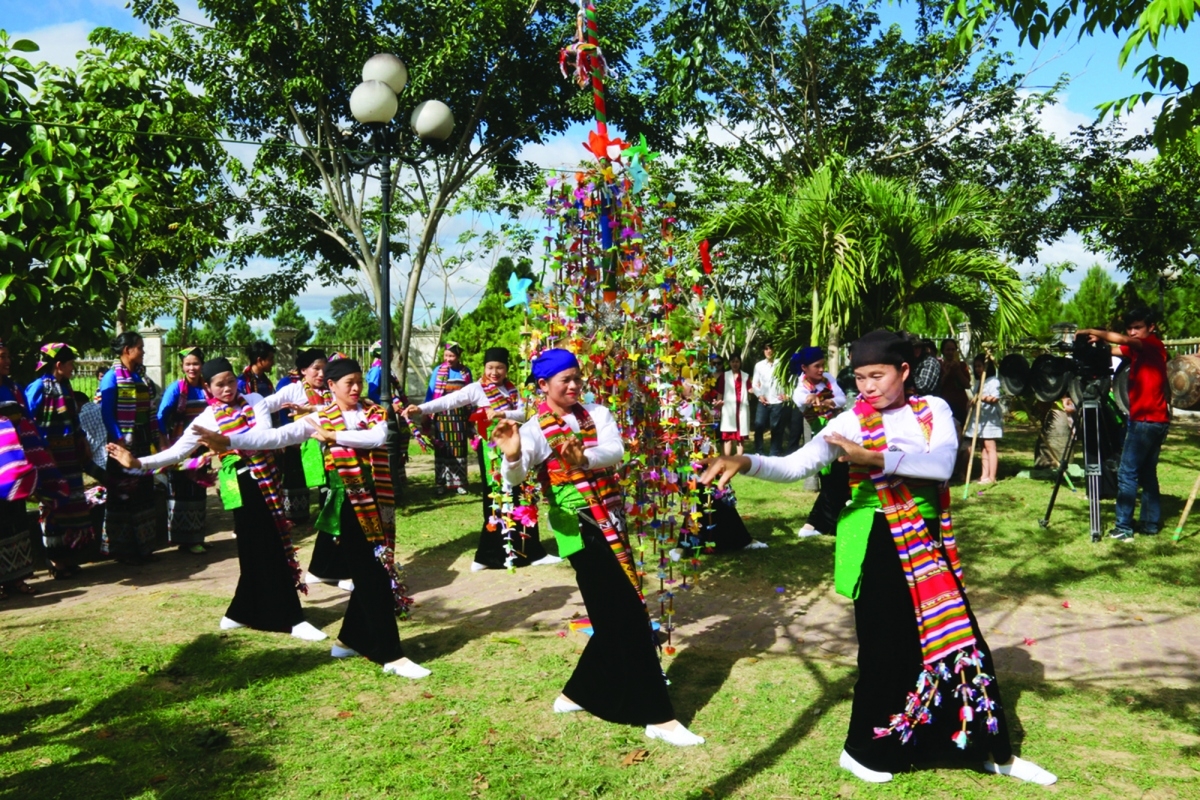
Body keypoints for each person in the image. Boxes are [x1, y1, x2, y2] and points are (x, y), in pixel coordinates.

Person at [699, 330, 1055, 786]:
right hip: (877, 542)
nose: (867, 387)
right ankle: (862, 751)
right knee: (886, 650)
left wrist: (872, 457)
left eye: (877, 375)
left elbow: (941, 464)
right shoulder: (849, 420)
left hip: (925, 541)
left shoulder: (935, 411)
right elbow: (795, 465)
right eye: (861, 377)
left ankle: (990, 749)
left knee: (961, 642)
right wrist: (746, 462)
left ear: (904, 372)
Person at [492, 348, 704, 746]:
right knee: (625, 614)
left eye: (576, 378)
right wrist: (514, 453)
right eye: (563, 381)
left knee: (616, 614)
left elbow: (615, 450)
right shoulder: (536, 428)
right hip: (579, 530)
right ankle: (658, 717)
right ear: (544, 386)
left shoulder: (597, 414)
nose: (573, 386)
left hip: (610, 520)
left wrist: (582, 457)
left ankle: (577, 693)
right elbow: (515, 476)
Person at [192, 357, 429, 679]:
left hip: (377, 500)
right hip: (348, 503)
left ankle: (349, 640)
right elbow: (274, 438)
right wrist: (230, 441)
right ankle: (389, 653)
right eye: (349, 383)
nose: (357, 388)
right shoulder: (319, 417)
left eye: (359, 381)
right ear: (331, 387)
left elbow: (378, 438)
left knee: (374, 569)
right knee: (373, 574)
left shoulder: (372, 412)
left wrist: (335, 437)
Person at [107, 357, 327, 642]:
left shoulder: (255, 399)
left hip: (267, 480)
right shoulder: (206, 419)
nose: (227, 389)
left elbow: (263, 436)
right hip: (240, 484)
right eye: (219, 385)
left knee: (268, 544)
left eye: (230, 382)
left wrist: (225, 442)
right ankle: (288, 618)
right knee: (255, 547)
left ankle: (241, 611)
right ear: (208, 389)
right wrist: (137, 462)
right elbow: (176, 453)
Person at [405, 346, 559, 572]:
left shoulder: (512, 390)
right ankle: (488, 555)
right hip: (492, 452)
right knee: (496, 498)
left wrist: (502, 413)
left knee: (521, 496)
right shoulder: (477, 389)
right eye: (490, 367)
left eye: (500, 368)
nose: (494, 372)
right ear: (484, 368)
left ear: (506, 369)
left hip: (517, 447)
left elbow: (525, 414)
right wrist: (421, 408)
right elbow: (449, 401)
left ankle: (530, 551)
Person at [1080, 307, 1170, 540]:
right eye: (1130, 328)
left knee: (1127, 472)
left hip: (1145, 421)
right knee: (1147, 474)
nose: (1132, 332)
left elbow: (1122, 341)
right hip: (1155, 420)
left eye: (1137, 327)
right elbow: (1115, 348)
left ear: (1151, 328)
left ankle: (1123, 528)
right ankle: (1150, 525)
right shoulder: (1139, 350)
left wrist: (1094, 331)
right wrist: (1093, 346)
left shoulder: (1151, 344)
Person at [269, 349, 351, 589]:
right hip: (309, 453)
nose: (320, 372)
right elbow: (264, 408)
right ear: (303, 370)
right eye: (315, 368)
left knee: (334, 507)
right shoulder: (292, 389)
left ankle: (324, 568)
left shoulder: (331, 389)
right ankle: (328, 568)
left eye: (324, 368)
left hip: (334, 453)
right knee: (332, 506)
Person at [26, 343, 96, 575]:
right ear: (59, 365)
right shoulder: (38, 388)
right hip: (50, 456)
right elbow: (29, 421)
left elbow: (73, 420)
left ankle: (68, 556)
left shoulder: (65, 387)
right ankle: (55, 560)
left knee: (71, 503)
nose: (73, 369)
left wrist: (82, 438)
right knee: (53, 504)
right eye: (70, 364)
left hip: (69, 456)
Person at [99, 331, 159, 564]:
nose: (143, 352)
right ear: (127, 350)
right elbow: (107, 412)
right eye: (140, 347)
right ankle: (122, 551)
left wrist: (156, 438)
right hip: (122, 445)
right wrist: (119, 439)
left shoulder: (142, 377)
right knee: (123, 494)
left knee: (143, 492)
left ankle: (144, 548)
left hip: (142, 442)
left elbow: (150, 408)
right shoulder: (112, 377)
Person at [156, 347, 212, 553]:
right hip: (180, 447)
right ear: (182, 366)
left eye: (195, 364)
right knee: (182, 491)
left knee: (199, 490)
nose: (192, 368)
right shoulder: (176, 389)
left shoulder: (206, 389)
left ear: (202, 366)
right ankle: (184, 540)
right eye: (188, 364)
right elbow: (161, 416)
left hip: (201, 449)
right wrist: (164, 444)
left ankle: (197, 536)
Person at [792, 346, 848, 539]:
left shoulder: (829, 380)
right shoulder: (801, 387)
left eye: (823, 365)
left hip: (838, 432)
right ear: (804, 368)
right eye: (816, 366)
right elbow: (800, 399)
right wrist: (811, 398)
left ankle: (831, 521)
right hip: (821, 437)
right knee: (831, 479)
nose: (821, 369)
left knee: (841, 476)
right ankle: (816, 523)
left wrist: (830, 402)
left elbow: (841, 398)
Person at [0, 340, 40, 599]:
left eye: (8, 356)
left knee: (15, 518)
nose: (7, 361)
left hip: (14, 464)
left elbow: (27, 420)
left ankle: (17, 579)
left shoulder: (14, 388)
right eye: (2, 356)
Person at [425, 342, 473, 496]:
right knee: (441, 448)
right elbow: (431, 392)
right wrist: (426, 412)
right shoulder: (438, 371)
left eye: (452, 356)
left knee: (459, 448)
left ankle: (460, 483)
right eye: (446, 355)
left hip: (459, 417)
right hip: (442, 417)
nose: (449, 359)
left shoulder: (465, 372)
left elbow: (470, 395)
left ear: (458, 356)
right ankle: (441, 483)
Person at [965, 355, 1002, 485]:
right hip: (979, 419)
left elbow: (995, 398)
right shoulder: (980, 382)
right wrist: (972, 402)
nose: (978, 369)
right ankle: (984, 475)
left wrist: (981, 397)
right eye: (976, 366)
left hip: (990, 419)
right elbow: (976, 397)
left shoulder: (993, 381)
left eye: (980, 366)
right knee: (982, 447)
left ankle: (992, 477)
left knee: (990, 446)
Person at [750, 343, 786, 456]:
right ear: (763, 351)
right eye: (766, 349)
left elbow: (788, 380)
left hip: (777, 401)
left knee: (776, 428)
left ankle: (774, 453)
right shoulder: (759, 365)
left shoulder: (781, 363)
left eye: (771, 348)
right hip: (763, 401)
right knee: (759, 425)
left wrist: (786, 394)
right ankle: (759, 452)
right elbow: (755, 384)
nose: (769, 351)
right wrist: (759, 395)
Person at [715, 354, 750, 456]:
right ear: (730, 363)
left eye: (737, 362)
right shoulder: (724, 376)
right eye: (733, 361)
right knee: (727, 436)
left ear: (740, 363)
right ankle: (727, 459)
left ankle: (739, 459)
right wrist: (718, 407)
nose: (735, 364)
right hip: (728, 409)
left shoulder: (745, 376)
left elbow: (750, 389)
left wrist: (760, 392)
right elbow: (720, 392)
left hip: (741, 408)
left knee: (740, 436)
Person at [936, 338, 971, 427]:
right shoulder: (939, 366)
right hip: (945, 403)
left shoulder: (962, 366)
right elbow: (938, 386)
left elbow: (967, 385)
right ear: (943, 351)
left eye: (953, 349)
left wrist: (957, 370)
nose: (950, 352)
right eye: (948, 350)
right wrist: (946, 373)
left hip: (960, 404)